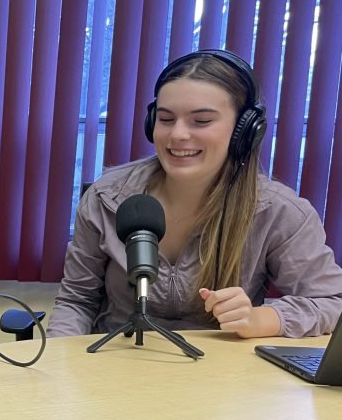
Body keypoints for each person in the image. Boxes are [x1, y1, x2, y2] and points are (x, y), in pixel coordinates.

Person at [48, 49, 342, 339]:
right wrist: (59, 370)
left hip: (221, 378)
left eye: (201, 121)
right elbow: (77, 302)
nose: (177, 135)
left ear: (244, 131)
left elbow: (330, 301)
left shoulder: (278, 211)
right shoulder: (107, 196)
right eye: (165, 119)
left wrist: (265, 318)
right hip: (113, 367)